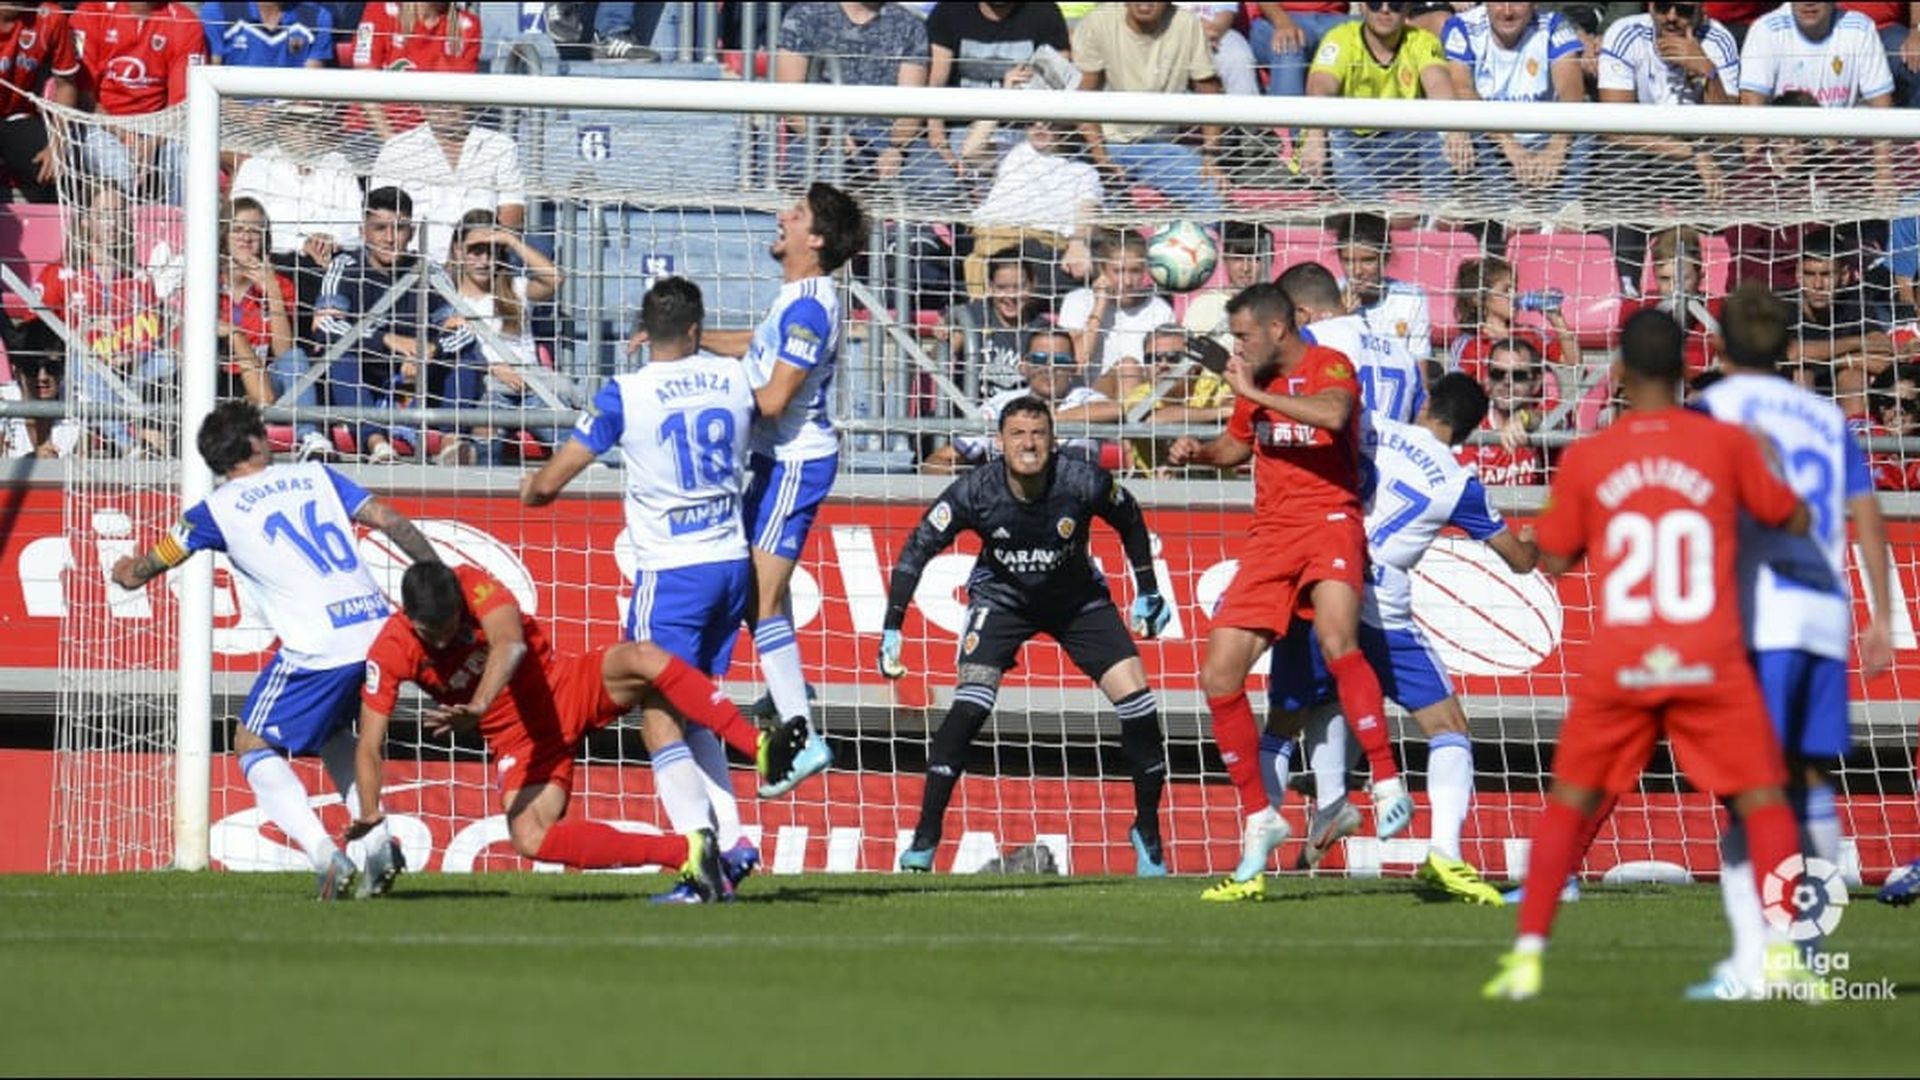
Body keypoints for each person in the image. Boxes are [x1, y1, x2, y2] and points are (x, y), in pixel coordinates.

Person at [1482, 308, 1814, 1001]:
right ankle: (1784, 951)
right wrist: (1768, 461)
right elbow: (1796, 517)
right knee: (1764, 799)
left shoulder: (1590, 457)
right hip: (1709, 654)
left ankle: (1528, 956)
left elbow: (1555, 556)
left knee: (1568, 802)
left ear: (1621, 373)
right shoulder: (1726, 445)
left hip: (1624, 658)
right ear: (1690, 369)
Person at [520, 276, 816, 902]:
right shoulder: (733, 378)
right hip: (732, 563)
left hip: (672, 572)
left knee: (658, 714)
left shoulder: (624, 392)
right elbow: (767, 401)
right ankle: (732, 846)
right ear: (694, 328)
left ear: (641, 331)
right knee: (696, 703)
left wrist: (532, 488)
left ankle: (696, 859)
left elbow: (551, 483)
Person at [107, 400, 439, 899]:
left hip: (320, 647)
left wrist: (125, 570)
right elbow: (392, 522)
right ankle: (377, 843)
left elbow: (148, 568)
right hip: (382, 632)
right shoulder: (317, 475)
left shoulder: (212, 512)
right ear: (255, 443)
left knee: (252, 741)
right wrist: (438, 576)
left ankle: (325, 855)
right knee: (332, 734)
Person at [1166, 283, 1411, 903]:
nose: (1236, 346)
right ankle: (1262, 816)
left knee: (1336, 639)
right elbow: (1238, 445)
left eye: (1244, 334)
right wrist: (1200, 453)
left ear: (1278, 328)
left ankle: (1385, 780)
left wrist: (1248, 388)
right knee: (1219, 675)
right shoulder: (1257, 378)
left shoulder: (1327, 365)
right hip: (1270, 535)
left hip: (1329, 519)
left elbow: (1333, 415)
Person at [1687, 281, 1893, 998]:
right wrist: (1884, 615)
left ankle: (1757, 962)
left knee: (1749, 787)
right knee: (1809, 780)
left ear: (1717, 346)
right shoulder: (1825, 414)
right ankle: (1804, 956)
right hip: (1826, 613)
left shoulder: (1712, 409)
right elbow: (1866, 514)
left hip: (1757, 614)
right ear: (1788, 347)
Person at [352, 561, 785, 903]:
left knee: (645, 656)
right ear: (409, 618)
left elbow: (511, 643)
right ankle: (689, 852)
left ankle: (758, 746)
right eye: (435, 635)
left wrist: (479, 703)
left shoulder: (473, 583)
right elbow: (370, 744)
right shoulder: (390, 649)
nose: (447, 642)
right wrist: (370, 813)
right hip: (520, 741)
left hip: (563, 686)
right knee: (529, 837)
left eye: (453, 628)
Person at [1260, 374, 1538, 903]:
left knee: (1283, 725)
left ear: (1427, 402)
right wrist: (1531, 543)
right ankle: (1444, 856)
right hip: (1379, 610)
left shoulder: (1373, 427)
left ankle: (1251, 858)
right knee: (1447, 726)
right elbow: (1519, 563)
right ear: (1471, 431)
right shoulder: (1460, 482)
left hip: (1320, 582)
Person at [879, 395, 1175, 875]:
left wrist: (1147, 588)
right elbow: (916, 550)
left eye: (1038, 434)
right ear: (1000, 443)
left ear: (1053, 440)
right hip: (1001, 601)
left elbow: (1129, 516)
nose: (1029, 444)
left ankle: (1147, 831)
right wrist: (892, 624)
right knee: (970, 705)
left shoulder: (1081, 480)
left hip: (1078, 601)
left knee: (1139, 703)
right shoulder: (975, 491)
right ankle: (925, 839)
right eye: (1018, 434)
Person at [700, 182, 866, 794]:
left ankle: (800, 734)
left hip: (794, 463)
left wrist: (706, 395)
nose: (781, 218)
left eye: (794, 216)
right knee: (762, 594)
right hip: (777, 462)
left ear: (815, 240)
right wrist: (695, 342)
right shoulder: (795, 298)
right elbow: (756, 347)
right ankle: (788, 692)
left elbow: (771, 399)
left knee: (758, 599)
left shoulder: (809, 308)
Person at [432, 209, 570, 464]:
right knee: (485, 428)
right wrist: (494, 367)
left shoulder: (516, 288)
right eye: (476, 251)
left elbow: (556, 278)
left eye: (492, 251)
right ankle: (477, 473)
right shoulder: (446, 299)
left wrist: (512, 241)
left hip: (534, 384)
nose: (484, 261)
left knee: (573, 439)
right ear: (457, 251)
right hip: (487, 384)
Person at [312, 185, 436, 462]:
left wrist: (431, 349)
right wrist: (386, 340)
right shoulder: (344, 265)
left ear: (412, 233)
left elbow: (460, 329)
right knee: (337, 351)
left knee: (468, 355)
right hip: (360, 373)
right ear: (362, 232)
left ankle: (457, 441)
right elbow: (326, 326)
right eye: (380, 228)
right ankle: (376, 442)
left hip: (414, 377)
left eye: (400, 228)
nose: (390, 238)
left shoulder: (429, 269)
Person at [1071, 2, 1226, 213]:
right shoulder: (1098, 21)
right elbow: (1084, 96)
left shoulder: (1187, 23)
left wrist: (1211, 158)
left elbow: (1209, 91)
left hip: (1161, 147)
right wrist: (1101, 158)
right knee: (1092, 206)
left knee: (1213, 195)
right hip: (1105, 144)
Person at [218, 196, 331, 461]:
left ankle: (308, 437)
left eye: (255, 230)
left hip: (268, 380)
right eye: (238, 229)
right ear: (224, 235)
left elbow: (283, 352)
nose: (246, 237)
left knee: (296, 357)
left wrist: (272, 291)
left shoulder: (280, 283)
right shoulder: (207, 280)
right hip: (221, 378)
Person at [922, 327, 1114, 472]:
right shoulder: (1000, 404)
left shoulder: (1084, 398)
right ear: (1023, 367)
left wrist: (1046, 420)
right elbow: (938, 461)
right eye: (1039, 359)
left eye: (1061, 360)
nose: (1050, 368)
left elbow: (1114, 410)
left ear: (1074, 368)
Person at [1277, 259, 1425, 424]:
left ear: (1302, 313)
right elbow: (1421, 417)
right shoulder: (1404, 355)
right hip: (1393, 447)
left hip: (1343, 447)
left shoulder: (1312, 338)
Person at [1059, 228, 1176, 384]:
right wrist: (1100, 304)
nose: (1127, 281)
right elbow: (1075, 365)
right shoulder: (1078, 301)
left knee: (1129, 368)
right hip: (1087, 396)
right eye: (1119, 271)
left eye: (1135, 271)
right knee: (1128, 367)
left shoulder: (1159, 309)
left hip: (1140, 396)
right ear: (1102, 269)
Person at [1333, 213, 1435, 372]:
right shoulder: (1328, 294)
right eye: (1348, 261)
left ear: (1385, 258)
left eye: (1368, 260)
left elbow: (1420, 372)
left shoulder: (1411, 299)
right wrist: (1338, 319)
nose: (1357, 271)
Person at [0, 3, 79, 203]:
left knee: (58, 167)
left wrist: (57, 145)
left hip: (16, 117)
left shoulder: (51, 16)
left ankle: (58, 232)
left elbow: (65, 85)